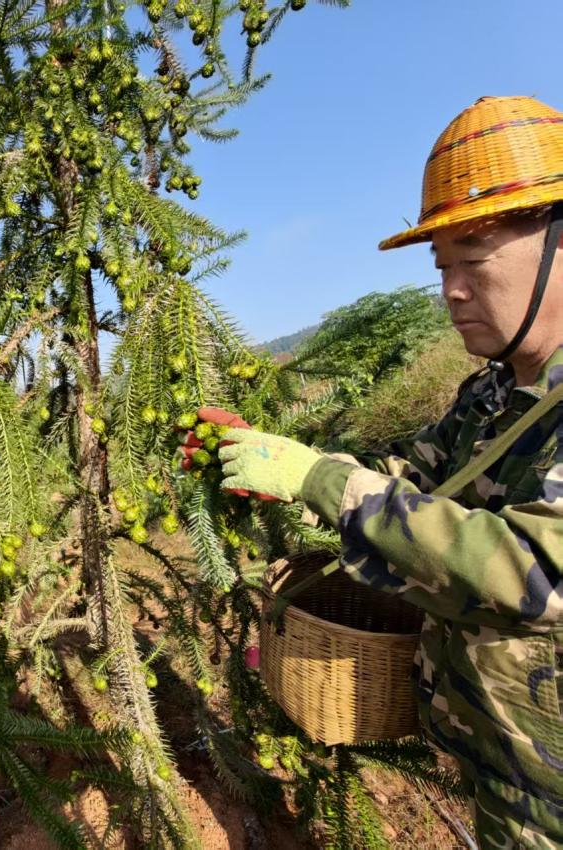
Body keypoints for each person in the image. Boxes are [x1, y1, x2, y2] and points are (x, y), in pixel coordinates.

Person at [188, 96, 563, 848]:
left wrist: (321, 482)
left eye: (474, 259)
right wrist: (281, 466)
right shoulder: (489, 395)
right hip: (501, 765)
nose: (452, 290)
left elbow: (532, 573)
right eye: (442, 266)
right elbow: (411, 485)